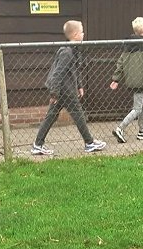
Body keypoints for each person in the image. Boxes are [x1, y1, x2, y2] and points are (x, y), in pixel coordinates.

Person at [31, 20, 106, 155]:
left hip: (66, 88)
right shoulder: (66, 52)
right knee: (78, 115)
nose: (84, 34)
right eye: (82, 31)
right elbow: (57, 73)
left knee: (52, 116)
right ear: (76, 34)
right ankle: (89, 143)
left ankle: (37, 144)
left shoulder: (74, 50)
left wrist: (80, 86)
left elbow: (74, 70)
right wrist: (54, 94)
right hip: (64, 90)